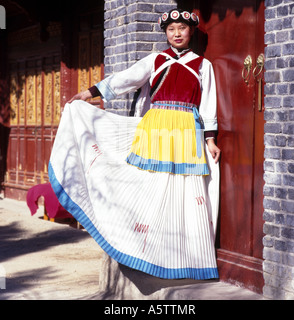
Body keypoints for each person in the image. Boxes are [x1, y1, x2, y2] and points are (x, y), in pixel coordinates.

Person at [49, 8, 221, 280]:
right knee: (151, 188)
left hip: (187, 131)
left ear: (191, 33)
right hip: (156, 129)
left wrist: (210, 139)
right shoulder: (156, 60)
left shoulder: (203, 65)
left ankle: (186, 256)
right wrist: (88, 93)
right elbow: (124, 80)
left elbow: (209, 101)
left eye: (182, 29)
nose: (177, 34)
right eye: (171, 29)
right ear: (166, 33)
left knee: (186, 190)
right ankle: (147, 251)